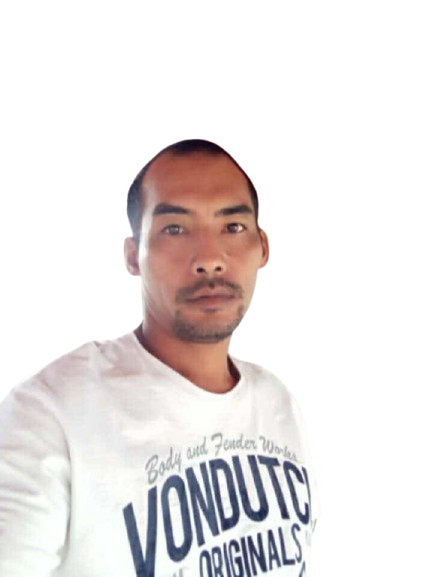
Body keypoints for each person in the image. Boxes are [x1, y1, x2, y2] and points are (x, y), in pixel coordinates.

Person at [0, 139, 320, 576]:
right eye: (175, 229)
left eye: (232, 226)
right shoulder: (51, 411)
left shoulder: (278, 402)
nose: (210, 259)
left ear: (263, 248)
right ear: (133, 256)